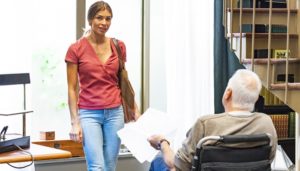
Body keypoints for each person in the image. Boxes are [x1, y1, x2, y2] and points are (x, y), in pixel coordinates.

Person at [148, 69, 277, 171]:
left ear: (228, 93)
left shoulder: (205, 124)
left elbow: (178, 166)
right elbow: (268, 160)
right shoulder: (266, 123)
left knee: (158, 160)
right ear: (255, 99)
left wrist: (162, 143)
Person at [65, 1, 140, 171]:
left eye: (108, 19)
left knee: (109, 166)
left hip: (115, 113)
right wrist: (74, 122)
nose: (104, 23)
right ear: (90, 19)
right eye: (99, 18)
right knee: (96, 166)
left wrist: (134, 108)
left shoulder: (118, 46)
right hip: (89, 113)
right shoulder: (75, 49)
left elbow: (123, 80)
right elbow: (72, 88)